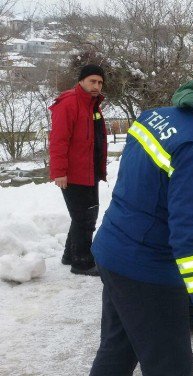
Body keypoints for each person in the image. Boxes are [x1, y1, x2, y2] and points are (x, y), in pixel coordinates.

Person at [89, 64, 193, 375]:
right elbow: (191, 235)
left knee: (118, 351)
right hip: (147, 269)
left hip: (115, 250)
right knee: (171, 367)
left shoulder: (157, 116)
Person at [49, 64, 107, 276]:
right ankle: (82, 262)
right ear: (81, 81)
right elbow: (58, 140)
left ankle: (69, 255)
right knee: (86, 218)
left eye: (100, 82)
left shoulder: (92, 104)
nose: (96, 86)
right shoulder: (69, 104)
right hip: (74, 173)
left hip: (90, 170)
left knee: (82, 215)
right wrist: (60, 172)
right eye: (92, 81)